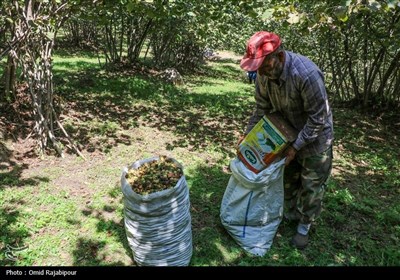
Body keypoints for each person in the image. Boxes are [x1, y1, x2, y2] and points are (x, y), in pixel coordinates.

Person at [239, 31, 334, 249]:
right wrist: (248, 136)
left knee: (311, 184)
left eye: (264, 65)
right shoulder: (263, 76)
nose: (260, 71)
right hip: (287, 133)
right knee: (288, 177)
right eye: (257, 66)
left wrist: (296, 147)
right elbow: (261, 109)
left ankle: (304, 225)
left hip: (316, 137)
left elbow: (317, 119)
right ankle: (289, 214)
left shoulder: (306, 75)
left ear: (279, 57)